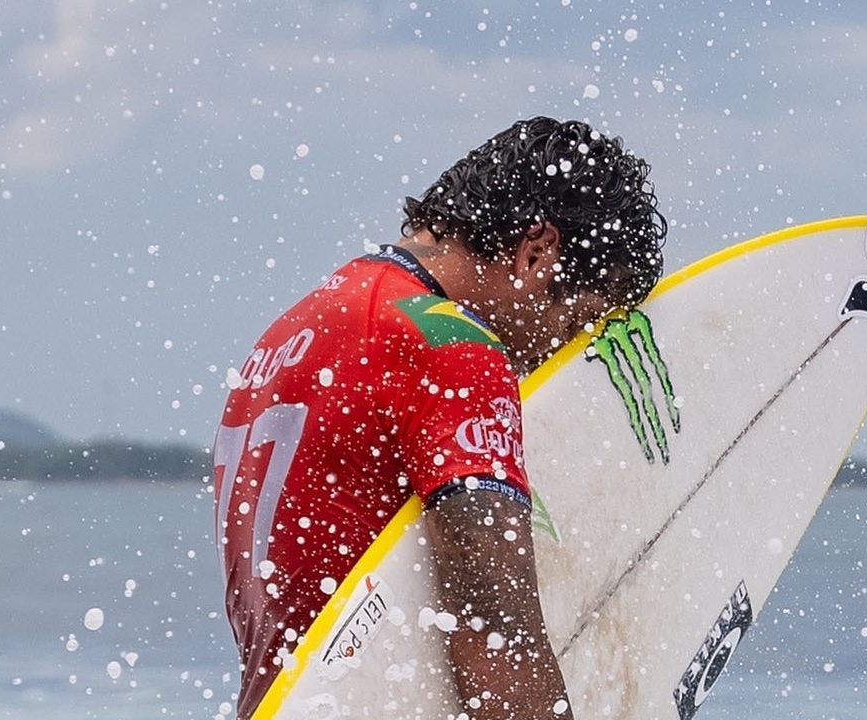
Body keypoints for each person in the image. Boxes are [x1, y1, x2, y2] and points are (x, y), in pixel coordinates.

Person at [213, 116, 667, 719]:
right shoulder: (452, 347)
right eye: (575, 320)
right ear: (537, 252)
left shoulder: (298, 328)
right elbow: (495, 627)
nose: (558, 351)